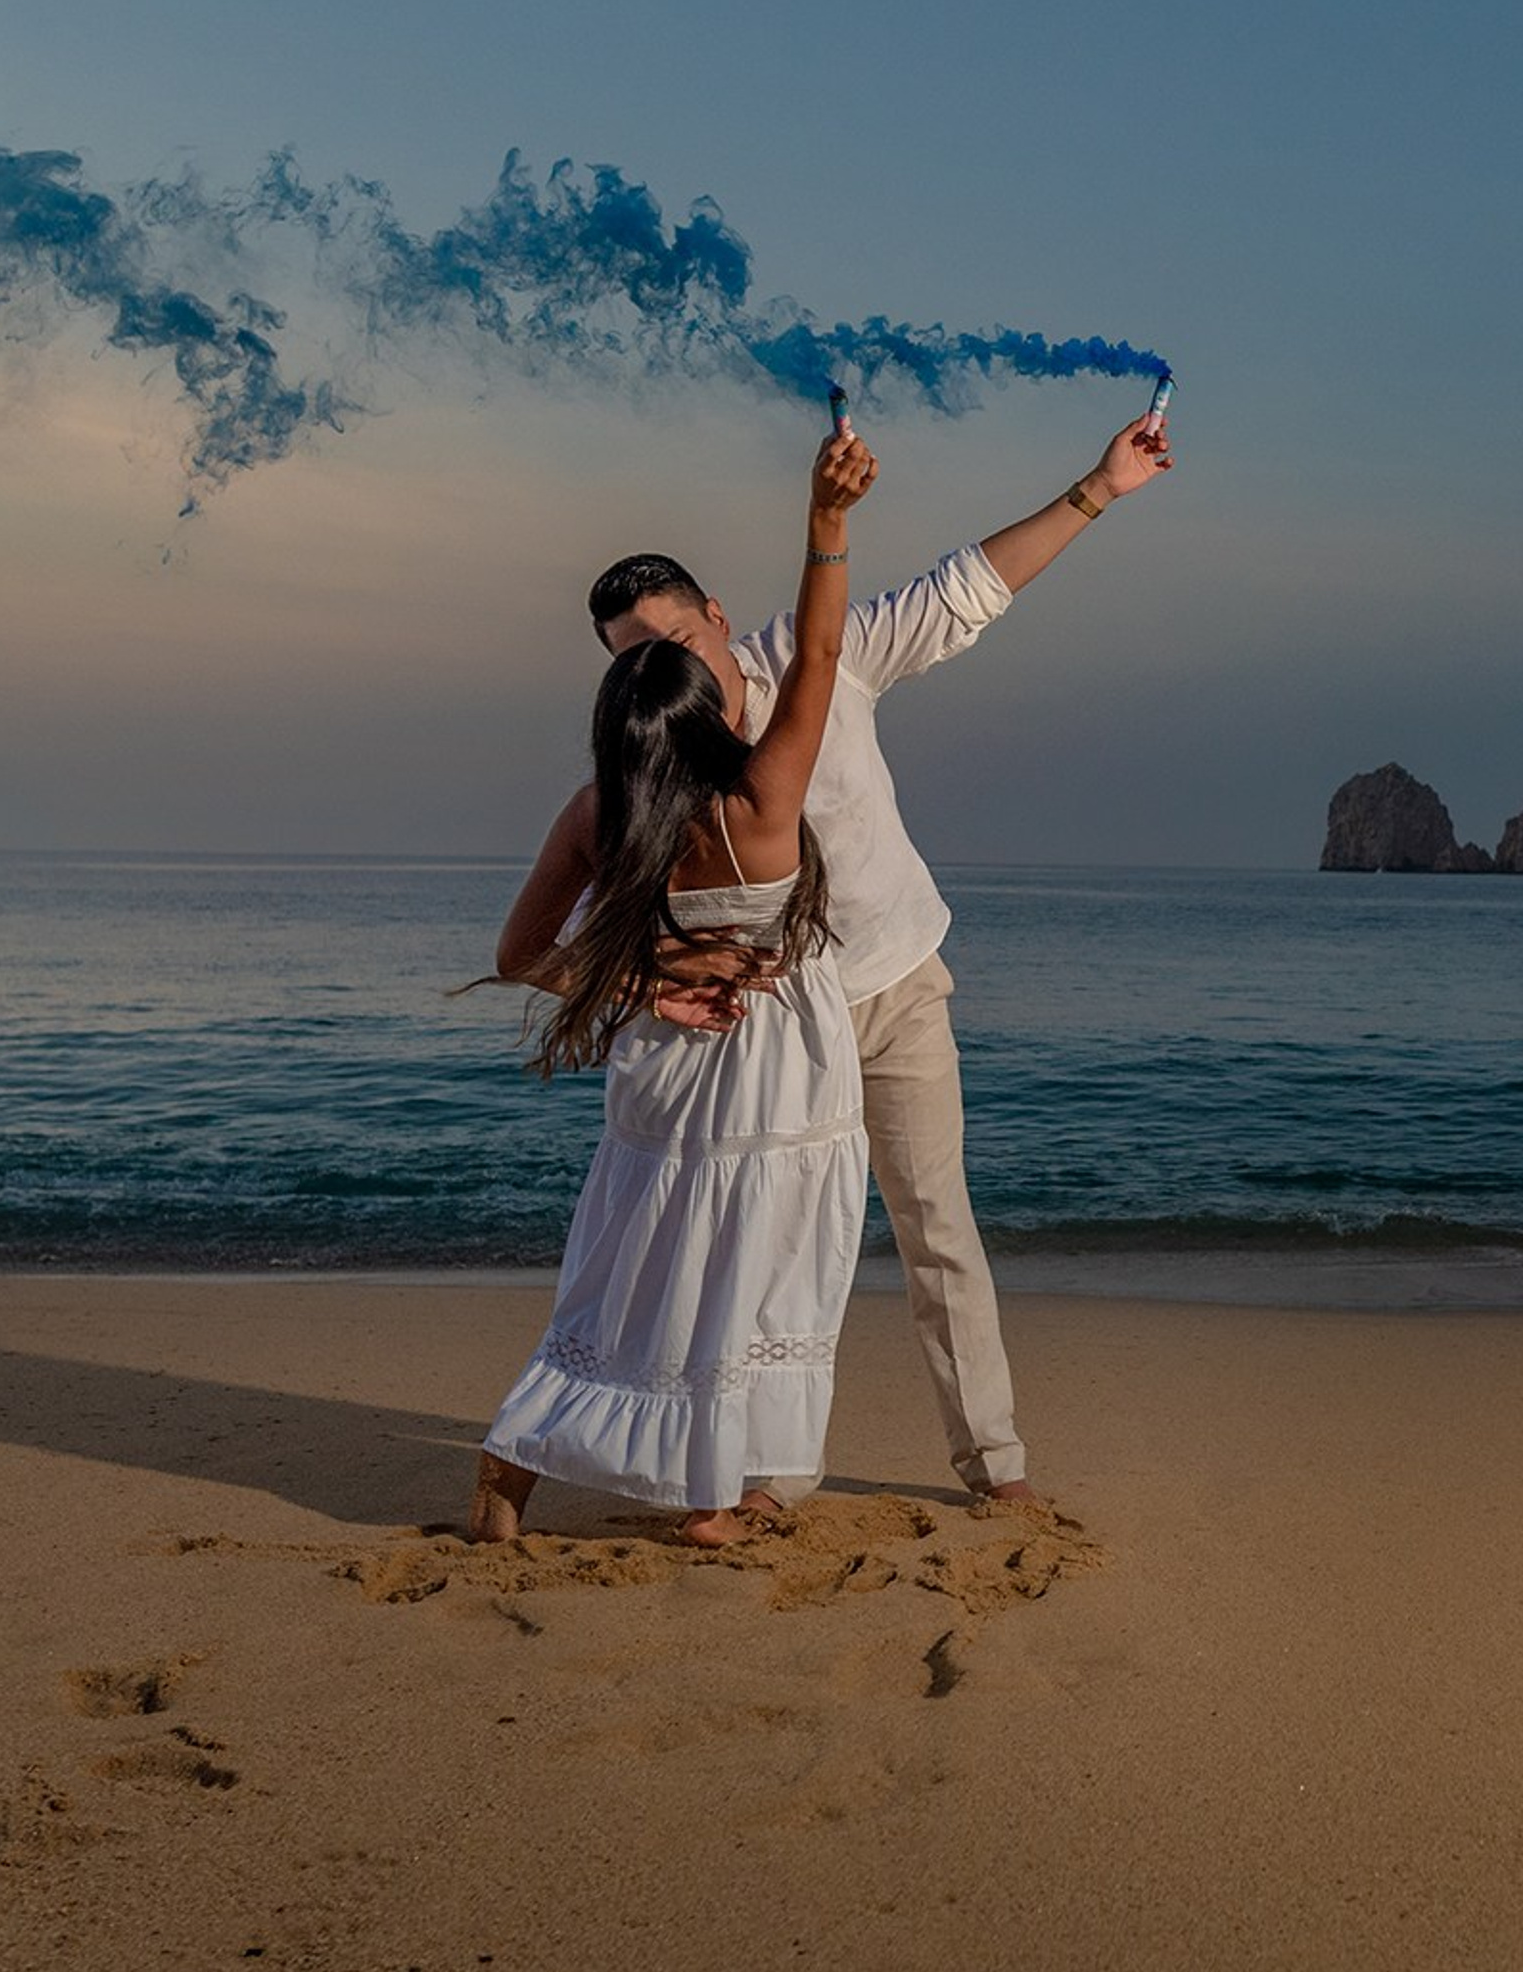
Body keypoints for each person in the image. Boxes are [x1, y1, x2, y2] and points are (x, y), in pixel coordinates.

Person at [585, 408, 1174, 1505]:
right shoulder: (651, 764)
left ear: (717, 616)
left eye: (679, 642)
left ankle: (995, 1467)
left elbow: (968, 588)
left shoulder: (822, 661)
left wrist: (1100, 486)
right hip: (769, 1032)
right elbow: (607, 927)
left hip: (895, 991)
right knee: (774, 1253)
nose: (671, 672)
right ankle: (768, 1474)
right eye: (637, 664)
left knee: (937, 1230)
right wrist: (657, 986)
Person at [467, 426, 876, 1547]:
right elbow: (822, 657)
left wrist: (646, 974)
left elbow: (520, 956)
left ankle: (515, 1463)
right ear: (705, 705)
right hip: (779, 1059)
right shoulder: (761, 800)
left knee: (635, 1267)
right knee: (754, 1262)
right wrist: (826, 521)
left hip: (666, 1064)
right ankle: (713, 1498)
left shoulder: (598, 811)